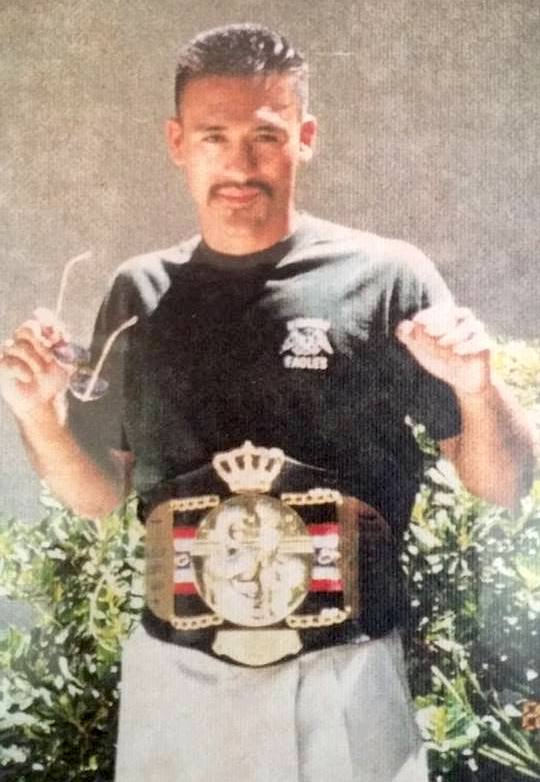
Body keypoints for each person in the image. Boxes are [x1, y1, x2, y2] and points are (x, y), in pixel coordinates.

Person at [0, 23, 534, 782]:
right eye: (215, 137)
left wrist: (478, 389)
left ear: (306, 136)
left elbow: (504, 481)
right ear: (177, 142)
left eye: (266, 135)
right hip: (178, 678)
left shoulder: (386, 279)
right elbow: (96, 494)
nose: (240, 163)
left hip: (344, 673)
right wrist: (34, 413)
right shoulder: (139, 293)